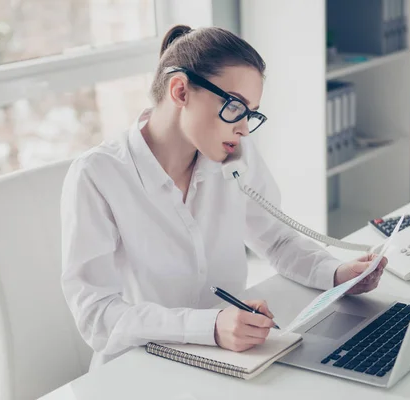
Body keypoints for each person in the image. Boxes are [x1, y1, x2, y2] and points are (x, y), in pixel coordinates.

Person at [60, 24, 388, 370]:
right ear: (180, 91)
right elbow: (96, 314)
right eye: (235, 106)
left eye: (251, 113)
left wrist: (337, 274)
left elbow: (275, 240)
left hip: (232, 358)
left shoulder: (233, 156)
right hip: (141, 367)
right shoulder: (98, 175)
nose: (244, 127)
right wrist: (210, 327)